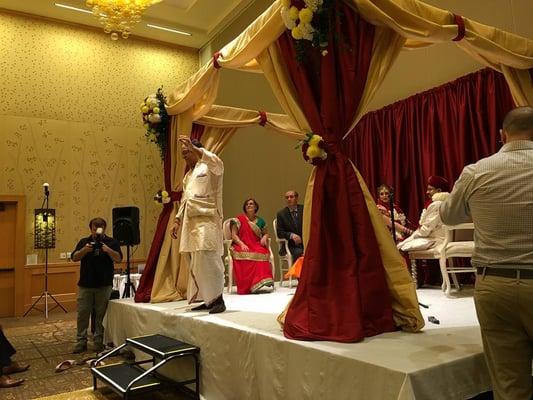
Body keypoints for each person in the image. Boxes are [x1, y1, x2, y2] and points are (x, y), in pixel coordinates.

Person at [440, 106, 533, 400]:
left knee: (509, 385)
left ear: (501, 135)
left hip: (494, 286)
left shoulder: (476, 171)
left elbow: (448, 216)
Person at [170, 136, 226, 314]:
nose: (185, 156)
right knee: (195, 260)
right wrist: (177, 221)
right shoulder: (188, 175)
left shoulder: (210, 167)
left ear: (197, 151)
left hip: (207, 219)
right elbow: (185, 199)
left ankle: (218, 299)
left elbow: (218, 163)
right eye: (183, 154)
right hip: (190, 222)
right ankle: (206, 298)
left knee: (208, 257)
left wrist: (199, 151)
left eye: (188, 152)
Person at [71, 217, 122, 354]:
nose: (97, 232)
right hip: (85, 285)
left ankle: (98, 341)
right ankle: (81, 341)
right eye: (94, 229)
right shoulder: (84, 241)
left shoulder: (112, 242)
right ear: (91, 228)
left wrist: (108, 250)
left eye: (100, 229)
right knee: (83, 314)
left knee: (101, 315)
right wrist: (85, 250)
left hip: (104, 285)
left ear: (104, 229)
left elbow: (118, 259)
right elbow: (74, 257)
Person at [229, 198, 274, 294]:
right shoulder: (238, 220)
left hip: (256, 244)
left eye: (251, 204)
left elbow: (266, 233)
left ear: (255, 207)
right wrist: (242, 244)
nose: (249, 205)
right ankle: (247, 285)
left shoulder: (261, 221)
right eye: (247, 204)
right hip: (240, 244)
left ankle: (258, 282)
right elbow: (234, 235)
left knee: (261, 252)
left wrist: (264, 237)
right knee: (245, 253)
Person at [397, 176, 450, 253]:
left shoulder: (437, 204)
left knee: (402, 247)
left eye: (430, 189)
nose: (427, 192)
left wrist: (414, 235)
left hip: (436, 239)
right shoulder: (443, 203)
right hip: (431, 237)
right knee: (401, 245)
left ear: (439, 190)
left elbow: (425, 230)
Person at [276, 190, 304, 261]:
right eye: (287, 197)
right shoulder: (281, 214)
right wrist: (291, 235)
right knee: (299, 252)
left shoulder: (304, 209)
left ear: (297, 198)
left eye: (291, 197)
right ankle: (298, 272)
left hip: (307, 242)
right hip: (291, 244)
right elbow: (280, 233)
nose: (289, 199)